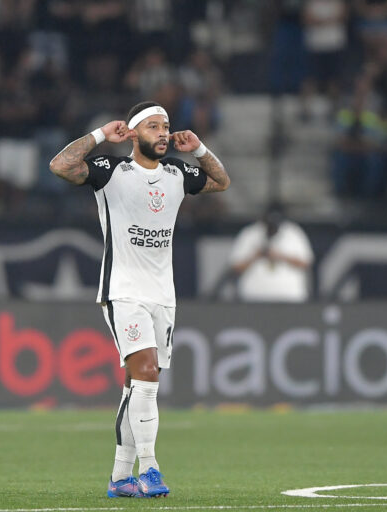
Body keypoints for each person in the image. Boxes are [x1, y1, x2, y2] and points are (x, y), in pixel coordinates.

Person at [49, 101, 230, 498]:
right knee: (146, 373)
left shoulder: (178, 173)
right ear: (133, 133)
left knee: (138, 384)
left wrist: (198, 149)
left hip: (163, 295)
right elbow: (61, 166)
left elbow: (221, 182)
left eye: (165, 126)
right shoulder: (112, 170)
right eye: (153, 126)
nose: (163, 133)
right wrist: (98, 136)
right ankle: (149, 469)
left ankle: (120, 477)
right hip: (123, 290)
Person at [229, 202, 314, 302]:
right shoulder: (250, 233)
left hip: (289, 297)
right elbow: (236, 266)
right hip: (254, 298)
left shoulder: (293, 232)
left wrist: (279, 255)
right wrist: (257, 255)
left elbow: (306, 263)